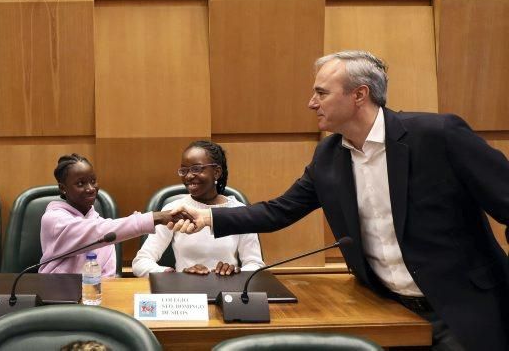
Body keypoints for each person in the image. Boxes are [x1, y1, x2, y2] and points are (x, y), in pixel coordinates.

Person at [170, 50, 509, 351]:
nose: (311, 102)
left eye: (321, 92)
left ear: (359, 95)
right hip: (388, 312)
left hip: (462, 309)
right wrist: (209, 218)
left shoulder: (437, 136)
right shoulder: (329, 157)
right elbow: (279, 211)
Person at [132, 140, 264, 277]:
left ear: (217, 172)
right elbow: (141, 262)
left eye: (196, 169)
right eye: (184, 170)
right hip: (185, 293)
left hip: (228, 293)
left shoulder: (239, 212)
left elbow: (255, 264)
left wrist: (236, 273)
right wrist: (176, 275)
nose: (188, 176)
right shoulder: (174, 210)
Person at [40, 154, 182, 276]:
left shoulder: (98, 222)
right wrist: (152, 218)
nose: (90, 188)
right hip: (58, 297)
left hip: (95, 296)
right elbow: (95, 231)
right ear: (63, 188)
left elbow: (108, 274)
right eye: (80, 183)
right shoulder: (53, 220)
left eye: (93, 181)